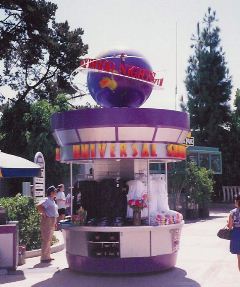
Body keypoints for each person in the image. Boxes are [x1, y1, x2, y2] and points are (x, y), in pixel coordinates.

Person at [37, 186, 58, 263]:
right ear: (51, 192)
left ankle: (47, 256)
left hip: (52, 220)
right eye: (55, 191)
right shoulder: (47, 199)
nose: (56, 192)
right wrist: (44, 213)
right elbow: (39, 206)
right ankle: (44, 257)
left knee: (49, 239)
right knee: (46, 239)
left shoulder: (52, 200)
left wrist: (55, 222)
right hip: (47, 220)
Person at [227, 194, 240, 271]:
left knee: (239, 259)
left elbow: (230, 227)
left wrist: (228, 223)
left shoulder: (232, 212)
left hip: (237, 235)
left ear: (237, 201)